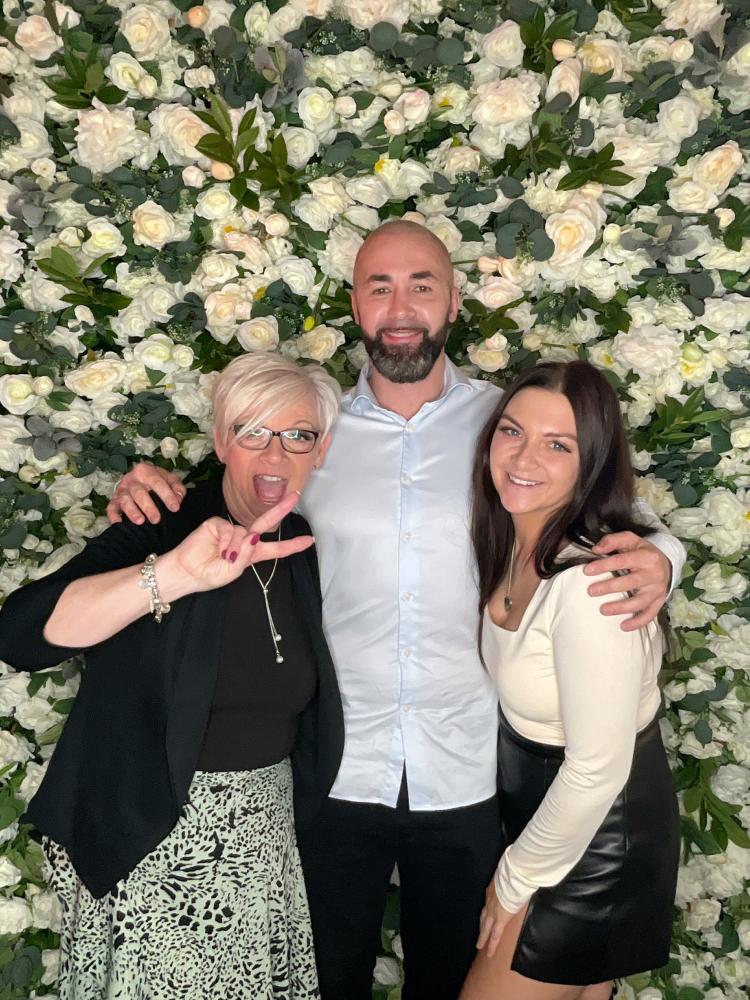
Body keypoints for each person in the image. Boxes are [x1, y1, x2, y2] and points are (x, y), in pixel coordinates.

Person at [106, 220, 685, 1000]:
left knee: (453, 979)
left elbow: (611, 512)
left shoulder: (508, 427)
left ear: (453, 301)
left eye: (422, 285)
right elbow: (232, 497)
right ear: (355, 305)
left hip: (469, 770)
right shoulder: (311, 432)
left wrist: (665, 560)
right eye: (380, 287)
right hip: (337, 768)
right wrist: (148, 492)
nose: (401, 307)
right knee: (324, 981)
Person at [0, 353, 344, 1000]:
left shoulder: (300, 541)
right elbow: (21, 636)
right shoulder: (164, 521)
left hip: (264, 843)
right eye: (252, 431)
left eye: (298, 434)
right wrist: (176, 575)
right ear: (221, 441)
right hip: (152, 834)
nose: (275, 452)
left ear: (320, 450)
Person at [459, 360, 680, 1000]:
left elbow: (596, 769)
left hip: (599, 833)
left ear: (592, 464)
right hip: (547, 814)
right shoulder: (514, 541)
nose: (524, 457)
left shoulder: (590, 585)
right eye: (512, 431)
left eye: (558, 445)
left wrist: (511, 881)